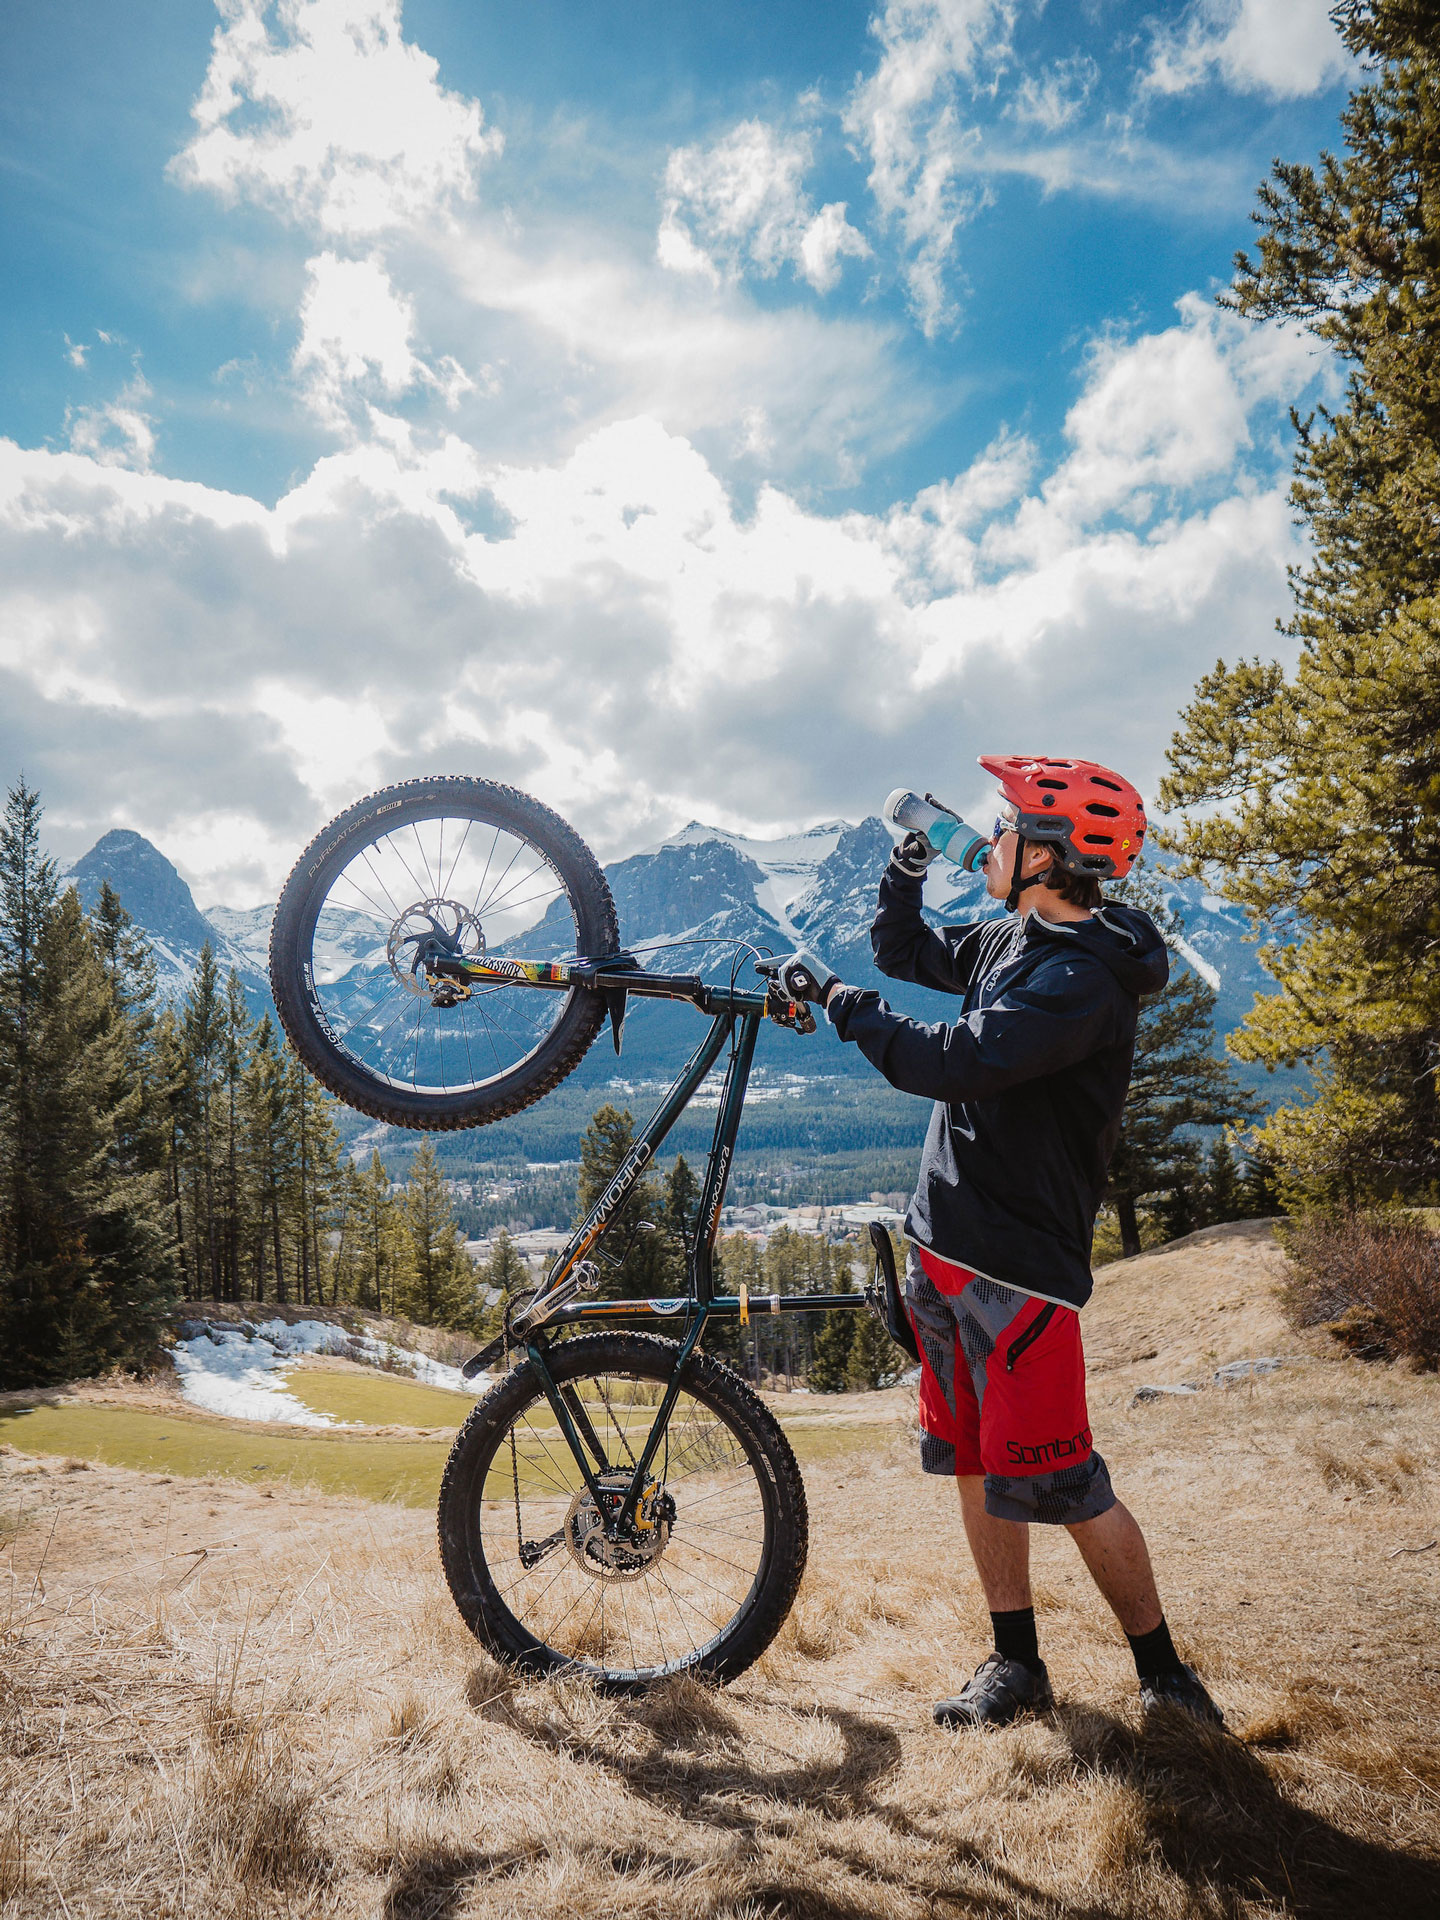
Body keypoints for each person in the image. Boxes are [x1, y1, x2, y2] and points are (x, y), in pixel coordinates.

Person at [772, 754, 1223, 1730]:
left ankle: (1165, 1676)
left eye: (1009, 826)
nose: (990, 835)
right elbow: (906, 954)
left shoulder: (1080, 982)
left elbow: (954, 1063)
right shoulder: (1012, 934)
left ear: (1051, 858)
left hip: (1018, 1273)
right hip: (944, 1244)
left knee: (1064, 1482)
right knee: (975, 1461)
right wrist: (903, 865)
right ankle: (1015, 1664)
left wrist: (839, 1003)